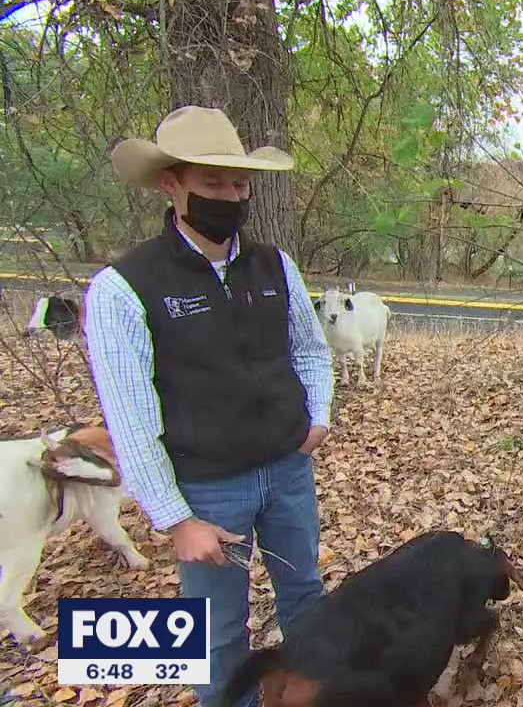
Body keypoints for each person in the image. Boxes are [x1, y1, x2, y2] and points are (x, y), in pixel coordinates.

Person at [83, 105, 334, 707]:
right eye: (212, 183)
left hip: (288, 472)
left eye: (239, 183)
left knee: (306, 599)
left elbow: (310, 349)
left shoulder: (275, 266)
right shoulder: (124, 287)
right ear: (172, 185)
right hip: (206, 489)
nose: (230, 195)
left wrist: (317, 416)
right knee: (217, 632)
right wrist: (176, 519)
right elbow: (130, 413)